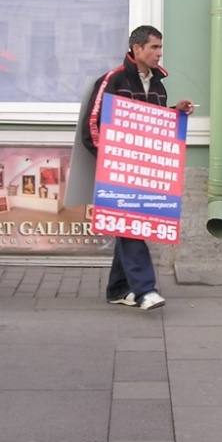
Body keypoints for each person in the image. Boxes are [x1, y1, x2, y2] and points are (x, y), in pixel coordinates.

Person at [82, 25, 194, 311]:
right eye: (154, 47)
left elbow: (152, 125)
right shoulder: (114, 80)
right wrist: (110, 161)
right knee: (131, 226)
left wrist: (175, 114)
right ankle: (145, 290)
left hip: (144, 170)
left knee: (127, 224)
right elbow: (92, 126)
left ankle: (118, 289)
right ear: (136, 48)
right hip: (117, 171)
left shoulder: (158, 85)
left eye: (160, 47)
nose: (159, 53)